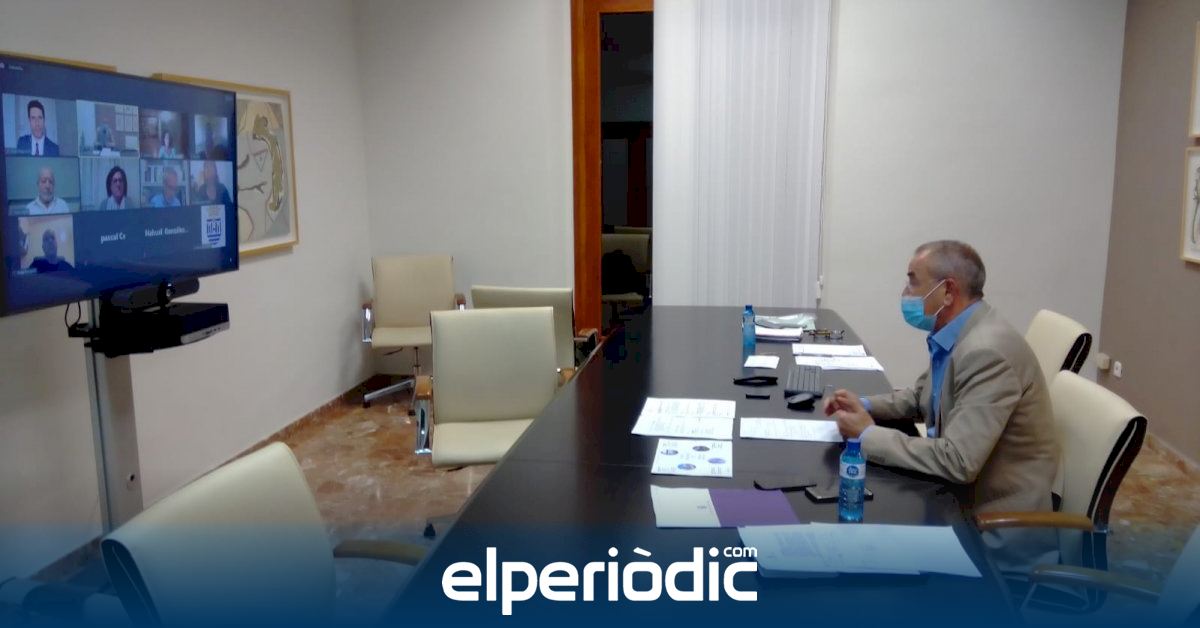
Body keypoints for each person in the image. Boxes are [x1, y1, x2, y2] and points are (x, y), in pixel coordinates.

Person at [825, 240, 1058, 515]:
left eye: (913, 282)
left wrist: (867, 434)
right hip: (956, 494)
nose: (906, 293)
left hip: (991, 520)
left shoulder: (986, 352)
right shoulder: (959, 331)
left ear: (947, 291)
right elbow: (922, 396)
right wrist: (864, 405)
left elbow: (959, 460)